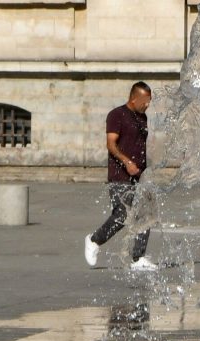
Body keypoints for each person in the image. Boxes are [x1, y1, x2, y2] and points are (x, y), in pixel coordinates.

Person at [85, 81, 157, 271]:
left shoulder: (143, 118)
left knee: (146, 214)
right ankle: (94, 240)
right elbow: (111, 144)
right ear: (134, 98)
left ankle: (138, 258)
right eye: (146, 101)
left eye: (150, 101)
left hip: (139, 176)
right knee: (122, 215)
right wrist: (127, 162)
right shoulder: (116, 115)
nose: (148, 104)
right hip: (120, 176)